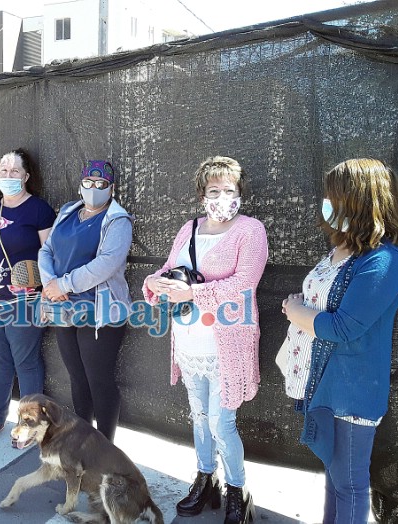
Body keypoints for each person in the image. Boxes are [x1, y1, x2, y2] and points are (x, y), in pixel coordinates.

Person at [281, 158, 398, 524]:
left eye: (333, 195)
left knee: (350, 485)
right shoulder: (340, 249)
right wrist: (302, 310)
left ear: (360, 200)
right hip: (322, 385)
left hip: (352, 392)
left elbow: (343, 326)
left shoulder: (385, 260)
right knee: (335, 481)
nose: (326, 202)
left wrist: (294, 311)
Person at [143, 156, 267, 524]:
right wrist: (155, 283)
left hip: (226, 345)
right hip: (189, 342)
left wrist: (192, 296)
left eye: (229, 190)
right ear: (202, 195)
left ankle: (237, 489)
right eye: (214, 190)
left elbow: (244, 283)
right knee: (198, 416)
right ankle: (204, 477)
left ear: (239, 194)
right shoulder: (189, 228)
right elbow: (168, 269)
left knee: (220, 423)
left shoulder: (250, 230)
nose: (222, 196)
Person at [38, 160, 133, 443]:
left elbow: (107, 263)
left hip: (100, 312)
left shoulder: (118, 220)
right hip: (64, 307)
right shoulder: (68, 212)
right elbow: (47, 250)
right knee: (77, 378)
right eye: (88, 183)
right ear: (80, 186)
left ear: (112, 188)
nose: (94, 189)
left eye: (101, 184)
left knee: (98, 380)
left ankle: (104, 448)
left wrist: (64, 284)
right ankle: (82, 439)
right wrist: (50, 285)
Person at [0, 149, 56, 444]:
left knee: (26, 362)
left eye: (15, 171)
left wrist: (46, 295)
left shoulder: (38, 210)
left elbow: (50, 254)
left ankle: (32, 423)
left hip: (24, 303)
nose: (8, 176)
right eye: (3, 171)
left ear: (27, 176)